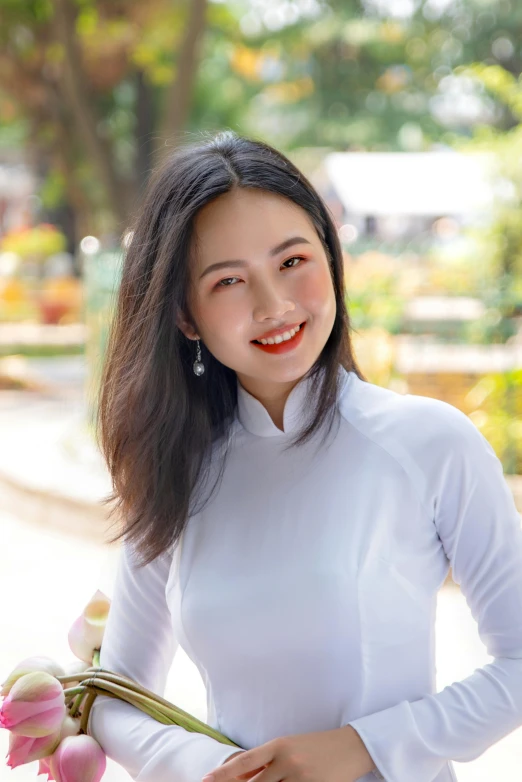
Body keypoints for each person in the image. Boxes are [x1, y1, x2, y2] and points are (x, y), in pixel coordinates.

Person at [87, 131, 522, 782]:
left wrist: (362, 746)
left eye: (292, 261)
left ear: (330, 252)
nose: (274, 306)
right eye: (229, 280)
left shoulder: (429, 444)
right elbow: (114, 693)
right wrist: (207, 764)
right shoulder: (176, 471)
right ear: (184, 315)